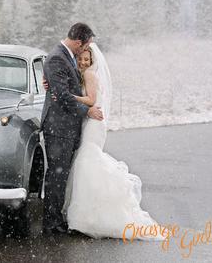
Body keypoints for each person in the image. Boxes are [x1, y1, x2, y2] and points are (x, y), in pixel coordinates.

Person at [59, 45, 163, 239]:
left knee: (86, 161)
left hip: (93, 122)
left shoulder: (90, 75)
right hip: (89, 120)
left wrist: (65, 96)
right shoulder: (82, 75)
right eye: (80, 59)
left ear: (92, 61)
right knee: (86, 160)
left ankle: (86, 217)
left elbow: (91, 100)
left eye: (86, 60)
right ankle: (88, 214)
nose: (83, 62)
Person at [40, 23, 104, 235]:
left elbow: (64, 89)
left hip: (66, 127)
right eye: (85, 45)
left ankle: (56, 219)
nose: (85, 50)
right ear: (79, 42)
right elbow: (63, 97)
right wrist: (88, 111)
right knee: (56, 175)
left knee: (61, 174)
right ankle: (52, 223)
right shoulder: (57, 57)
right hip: (59, 127)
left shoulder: (66, 57)